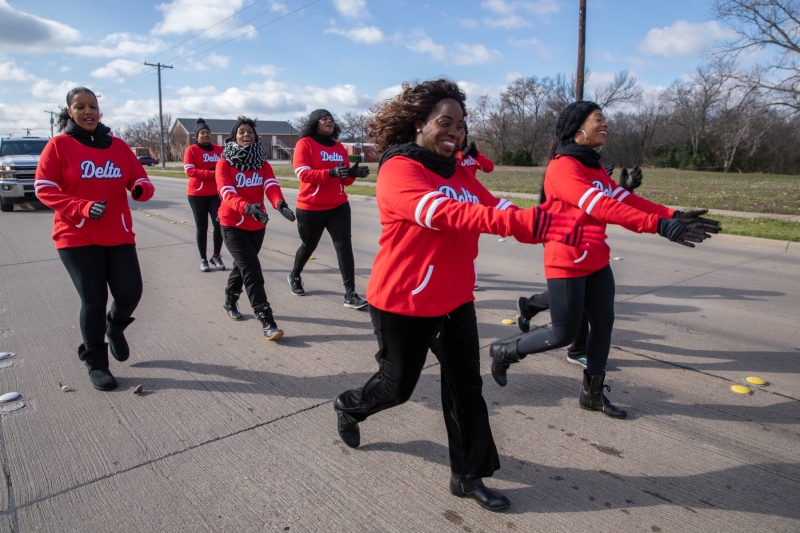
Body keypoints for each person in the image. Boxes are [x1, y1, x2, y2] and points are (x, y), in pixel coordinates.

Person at [332, 79, 607, 512]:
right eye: (446, 122)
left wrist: (545, 221)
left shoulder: (458, 170)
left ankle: (467, 476)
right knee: (396, 387)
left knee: (466, 388)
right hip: (404, 300)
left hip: (455, 299)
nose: (455, 133)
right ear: (419, 123)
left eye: (461, 125)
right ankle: (349, 406)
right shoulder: (399, 169)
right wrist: (531, 225)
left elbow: (496, 208)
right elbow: (442, 213)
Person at [489, 101, 720, 419]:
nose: (605, 124)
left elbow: (625, 199)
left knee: (604, 324)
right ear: (578, 128)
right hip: (566, 259)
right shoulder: (563, 167)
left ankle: (592, 394)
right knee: (563, 334)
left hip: (596, 259)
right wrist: (659, 226)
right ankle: (505, 351)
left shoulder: (595, 167)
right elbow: (600, 206)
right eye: (598, 119)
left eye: (605, 119)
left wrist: (672, 214)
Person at [35, 87, 155, 391]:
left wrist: (140, 189)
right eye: (80, 107)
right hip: (76, 235)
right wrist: (82, 207)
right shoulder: (59, 146)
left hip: (118, 233)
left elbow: (139, 178)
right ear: (69, 112)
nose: (88, 112)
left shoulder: (117, 146)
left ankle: (114, 327)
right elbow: (44, 188)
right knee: (94, 299)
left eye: (93, 106)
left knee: (130, 293)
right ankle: (96, 362)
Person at [516, 166, 643, 368]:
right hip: (563, 238)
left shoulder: (590, 166)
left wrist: (622, 189)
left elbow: (602, 205)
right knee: (576, 297)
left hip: (588, 244)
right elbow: (586, 203)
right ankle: (576, 349)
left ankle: (529, 306)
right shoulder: (563, 166)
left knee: (577, 295)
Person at [216, 116, 296, 340]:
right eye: (241, 131)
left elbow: (271, 185)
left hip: (257, 223)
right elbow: (226, 193)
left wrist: (280, 204)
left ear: (255, 136)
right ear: (234, 137)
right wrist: (246, 207)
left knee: (243, 266)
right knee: (252, 270)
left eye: (249, 131)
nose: (246, 135)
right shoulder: (224, 163)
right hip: (232, 225)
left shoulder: (262, 162)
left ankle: (229, 299)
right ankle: (266, 319)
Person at [288, 109, 370, 309]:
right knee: (309, 245)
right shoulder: (304, 143)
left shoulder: (339, 147)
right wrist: (330, 172)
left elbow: (345, 179)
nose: (329, 121)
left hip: (338, 205)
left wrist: (353, 173)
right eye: (324, 118)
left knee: (344, 245)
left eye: (332, 119)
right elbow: (303, 173)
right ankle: (295, 275)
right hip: (311, 206)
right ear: (314, 122)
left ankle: (350, 293)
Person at [456, 127, 496, 291]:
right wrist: (460, 158)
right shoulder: (448, 152)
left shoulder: (473, 153)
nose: (459, 134)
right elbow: (446, 170)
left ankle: (469, 280)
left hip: (473, 201)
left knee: (470, 244)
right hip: (454, 201)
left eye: (462, 131)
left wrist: (475, 155)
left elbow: (489, 167)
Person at [184, 118, 225, 272]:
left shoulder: (218, 149)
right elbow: (189, 170)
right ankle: (203, 259)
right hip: (197, 195)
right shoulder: (192, 150)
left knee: (219, 224)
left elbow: (224, 167)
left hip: (215, 194)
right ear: (197, 136)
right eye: (202, 133)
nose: (206, 135)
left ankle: (216, 256)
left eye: (208, 132)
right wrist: (211, 173)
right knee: (202, 227)